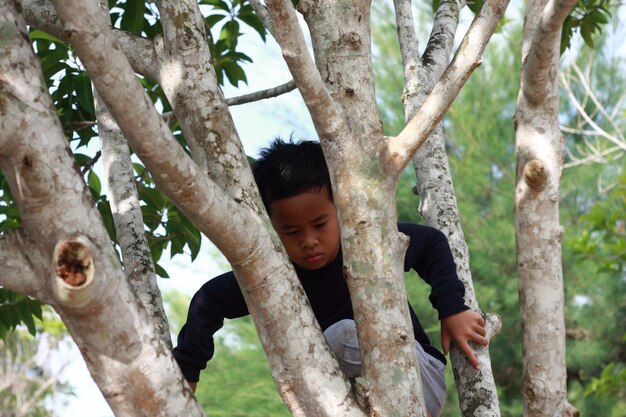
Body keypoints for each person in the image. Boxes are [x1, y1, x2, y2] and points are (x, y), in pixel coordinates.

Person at [173, 138, 488, 417]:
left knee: (338, 338)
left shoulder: (364, 242)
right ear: (272, 227)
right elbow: (209, 299)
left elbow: (431, 243)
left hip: (418, 376)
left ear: (340, 209)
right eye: (292, 232)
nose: (308, 240)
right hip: (343, 396)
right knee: (303, 367)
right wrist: (187, 368)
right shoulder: (273, 275)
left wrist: (452, 310)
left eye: (320, 224)